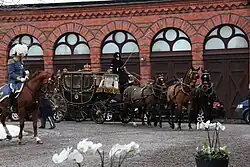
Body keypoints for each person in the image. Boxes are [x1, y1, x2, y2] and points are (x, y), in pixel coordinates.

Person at [8, 44, 29, 113]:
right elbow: (11, 73)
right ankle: (11, 106)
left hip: (21, 81)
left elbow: (22, 72)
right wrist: (19, 78)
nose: (22, 55)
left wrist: (25, 74)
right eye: (21, 54)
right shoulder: (11, 61)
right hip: (13, 81)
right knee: (14, 91)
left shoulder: (20, 62)